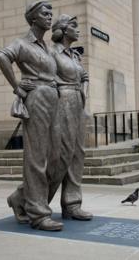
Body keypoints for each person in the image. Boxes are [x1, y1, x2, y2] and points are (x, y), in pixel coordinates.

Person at [0, 0, 63, 231]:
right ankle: (38, 213)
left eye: (51, 13)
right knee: (37, 158)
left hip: (53, 99)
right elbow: (2, 57)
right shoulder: (22, 44)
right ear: (33, 18)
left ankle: (19, 197)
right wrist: (16, 86)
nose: (49, 17)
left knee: (57, 158)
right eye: (45, 13)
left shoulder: (45, 47)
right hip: (36, 100)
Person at [48, 14, 92, 221]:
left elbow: (82, 78)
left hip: (77, 103)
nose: (78, 30)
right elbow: (45, 79)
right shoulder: (51, 53)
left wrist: (83, 87)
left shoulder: (75, 56)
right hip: (61, 102)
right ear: (64, 30)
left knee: (77, 154)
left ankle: (72, 204)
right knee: (61, 155)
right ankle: (27, 199)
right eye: (74, 26)